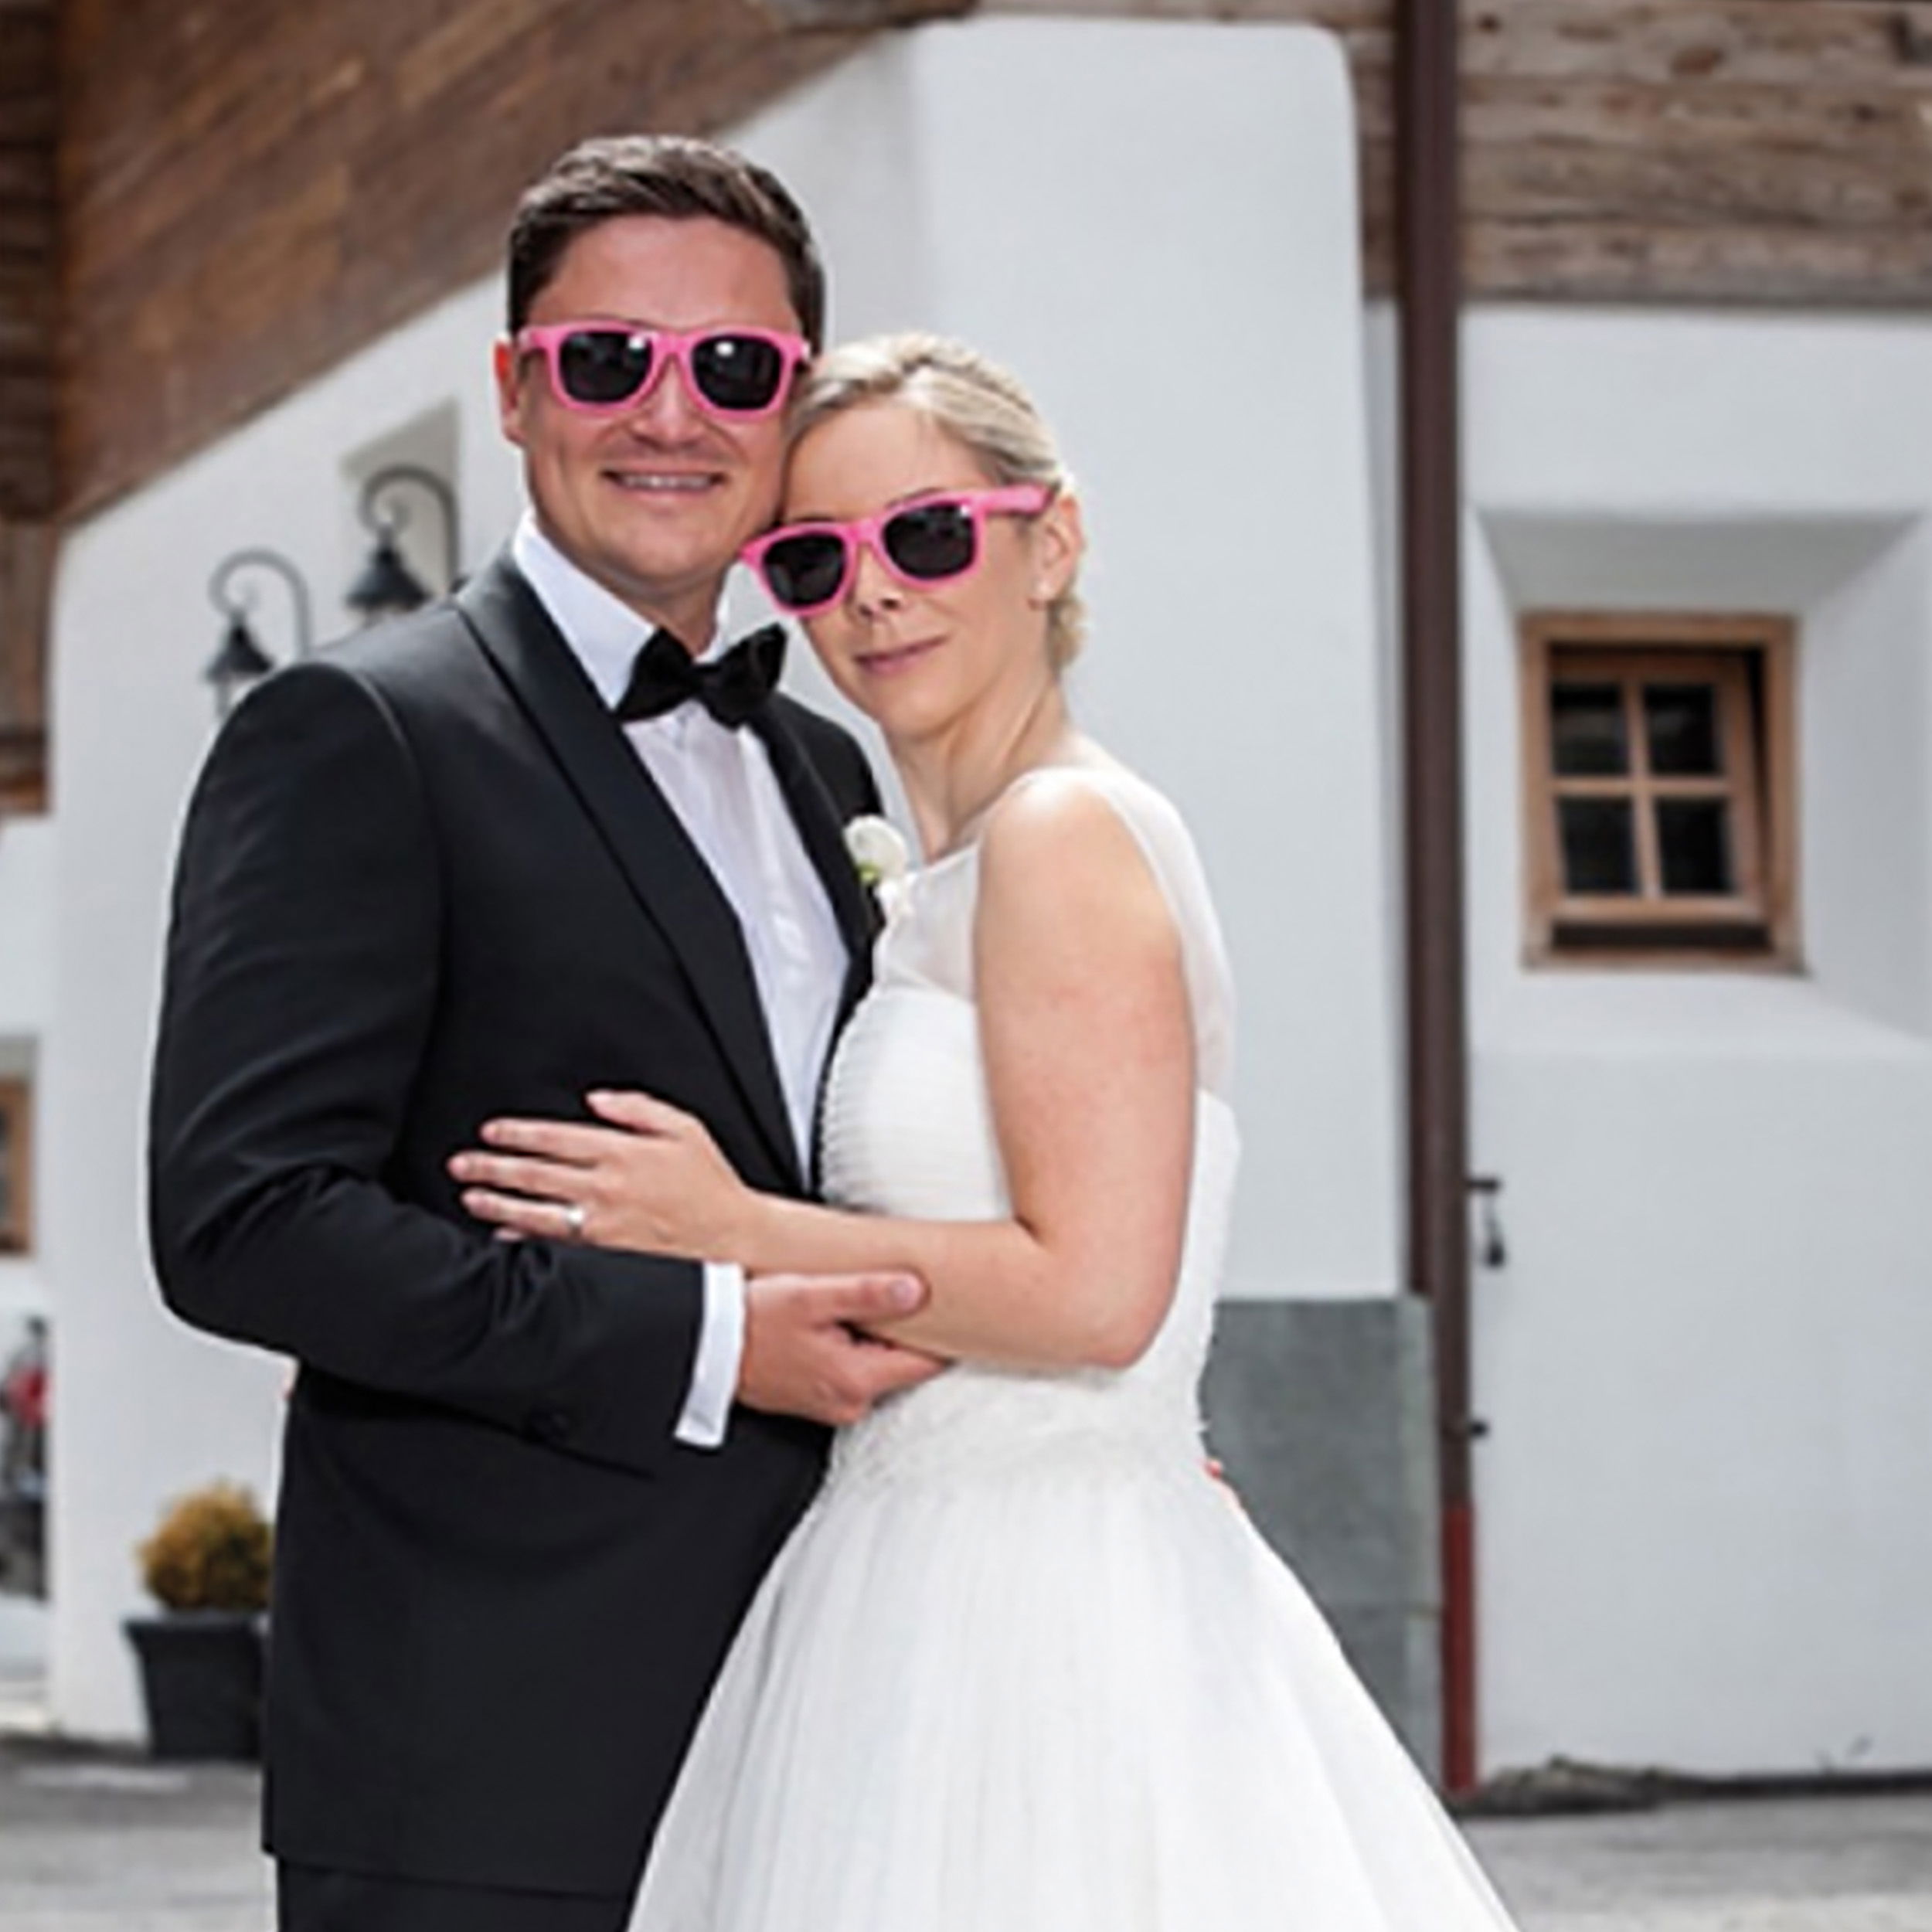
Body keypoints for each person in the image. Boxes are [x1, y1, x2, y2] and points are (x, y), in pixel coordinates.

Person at [453, 335, 1525, 1930]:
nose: (873, 593)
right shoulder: (935, 870)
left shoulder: (1060, 836)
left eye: (931, 533)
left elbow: (1097, 1295)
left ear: (1053, 541)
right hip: (907, 1577)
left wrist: (728, 1225)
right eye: (815, 559)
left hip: (1045, 1609)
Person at [147, 136, 940, 1932]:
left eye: (729, 365)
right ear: (514, 391)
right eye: (604, 359)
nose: (670, 412)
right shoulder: (355, 728)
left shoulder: (824, 763)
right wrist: (707, 1336)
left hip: (831, 1732)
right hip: (488, 1763)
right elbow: (242, 1218)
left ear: (792, 401)